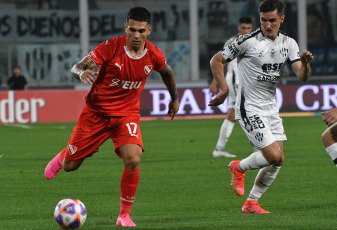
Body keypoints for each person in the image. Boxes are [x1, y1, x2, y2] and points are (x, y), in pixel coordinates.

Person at [44, 7, 179, 227]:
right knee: (71, 166)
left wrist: (174, 98)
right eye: (132, 29)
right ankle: (63, 155)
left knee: (133, 159)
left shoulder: (153, 54)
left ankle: (124, 215)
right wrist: (81, 72)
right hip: (96, 115)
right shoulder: (109, 48)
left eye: (141, 31)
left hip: (126, 115)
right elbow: (77, 66)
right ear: (126, 27)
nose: (136, 35)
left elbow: (167, 72)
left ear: (149, 30)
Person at [209, 0, 313, 213]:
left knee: (278, 160)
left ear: (281, 19)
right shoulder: (246, 41)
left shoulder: (289, 44)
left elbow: (302, 76)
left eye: (272, 20)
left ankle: (251, 203)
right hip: (249, 107)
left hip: (270, 108)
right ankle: (238, 167)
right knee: (273, 155)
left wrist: (307, 63)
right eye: (263, 20)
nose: (267, 25)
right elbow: (216, 60)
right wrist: (224, 88)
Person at [210, 16, 253, 158]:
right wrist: (216, 82)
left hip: (245, 82)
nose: (245, 30)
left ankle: (219, 149)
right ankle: (260, 146)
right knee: (242, 112)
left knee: (233, 114)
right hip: (235, 82)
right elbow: (221, 62)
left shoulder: (255, 41)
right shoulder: (232, 42)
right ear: (238, 28)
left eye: (248, 28)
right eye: (243, 28)